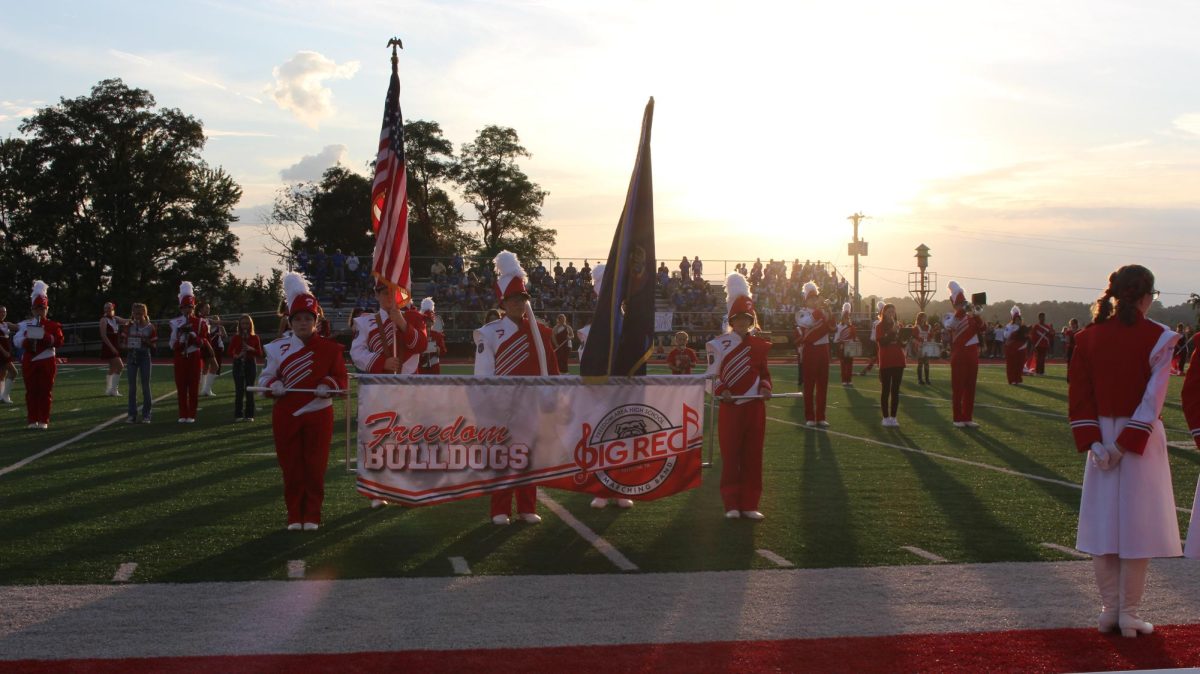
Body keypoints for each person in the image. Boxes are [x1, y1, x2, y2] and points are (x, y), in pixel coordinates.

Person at [1068, 264, 1181, 638]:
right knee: (1138, 526)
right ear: (1147, 297)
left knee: (1104, 526)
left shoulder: (1087, 337)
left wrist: (1098, 445)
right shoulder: (1161, 338)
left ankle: (1108, 611)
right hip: (1139, 442)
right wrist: (1124, 445)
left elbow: (1079, 398)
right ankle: (1128, 613)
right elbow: (1153, 400)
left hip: (1101, 438)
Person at [474, 251, 559, 525]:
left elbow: (551, 368)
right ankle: (500, 509)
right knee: (502, 457)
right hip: (502, 404)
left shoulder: (540, 332)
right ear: (503, 302)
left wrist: (551, 396)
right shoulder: (489, 332)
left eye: (522, 299)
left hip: (531, 404)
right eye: (512, 300)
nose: (517, 304)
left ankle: (526, 507)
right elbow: (484, 372)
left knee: (527, 455)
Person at [260, 273, 349, 531]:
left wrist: (328, 386)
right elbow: (265, 378)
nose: (302, 323)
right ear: (290, 322)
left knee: (315, 466)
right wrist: (272, 385)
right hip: (286, 413)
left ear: (316, 321)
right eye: (297, 319)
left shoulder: (331, 349)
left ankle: (312, 514)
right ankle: (293, 515)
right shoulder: (277, 349)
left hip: (319, 413)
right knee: (291, 467)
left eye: (307, 318)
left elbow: (341, 380)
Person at [706, 272, 772, 521]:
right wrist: (723, 392)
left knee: (753, 456)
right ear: (732, 320)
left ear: (751, 320)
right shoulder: (719, 344)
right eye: (739, 319)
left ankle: (750, 503)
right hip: (731, 407)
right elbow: (710, 379)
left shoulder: (759, 345)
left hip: (755, 407)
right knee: (731, 456)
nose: (743, 323)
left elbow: (764, 373)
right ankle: (731, 503)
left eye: (747, 318)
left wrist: (766, 387)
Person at [14, 281, 64, 429]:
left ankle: (43, 419)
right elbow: (16, 340)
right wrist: (26, 342)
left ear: (46, 309)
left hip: (47, 359)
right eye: (37, 308)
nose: (39, 311)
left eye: (42, 308)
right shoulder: (25, 324)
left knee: (45, 391)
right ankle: (32, 420)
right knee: (31, 392)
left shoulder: (53, 325)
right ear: (32, 309)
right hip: (30, 360)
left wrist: (46, 336)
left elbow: (59, 341)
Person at [351, 282, 428, 375]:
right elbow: (356, 353)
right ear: (376, 295)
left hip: (409, 384)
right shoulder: (364, 322)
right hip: (380, 384)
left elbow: (422, 346)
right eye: (386, 293)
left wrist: (403, 324)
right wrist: (382, 362)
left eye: (394, 293)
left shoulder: (414, 318)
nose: (391, 297)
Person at [169, 282, 210, 424]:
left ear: (193, 308)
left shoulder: (200, 322)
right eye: (184, 307)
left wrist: (193, 335)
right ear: (181, 308)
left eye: (189, 307)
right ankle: (182, 413)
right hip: (180, 357)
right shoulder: (175, 323)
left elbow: (203, 342)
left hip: (194, 356)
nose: (187, 310)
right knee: (181, 387)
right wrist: (181, 339)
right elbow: (172, 344)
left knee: (193, 387)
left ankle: (191, 414)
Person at [944, 281, 984, 428]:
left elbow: (983, 327)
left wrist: (977, 315)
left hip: (972, 354)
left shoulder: (971, 316)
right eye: (960, 303)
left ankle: (967, 417)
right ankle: (957, 418)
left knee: (971, 387)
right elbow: (950, 326)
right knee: (958, 387)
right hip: (959, 355)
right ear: (954, 304)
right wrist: (962, 311)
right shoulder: (949, 317)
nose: (963, 305)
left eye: (964, 302)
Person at [796, 281, 831, 427]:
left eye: (816, 298)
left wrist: (828, 310)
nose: (814, 301)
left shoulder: (822, 312)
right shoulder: (801, 313)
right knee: (809, 385)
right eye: (811, 298)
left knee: (823, 385)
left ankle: (821, 417)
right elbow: (807, 323)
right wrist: (820, 311)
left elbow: (833, 326)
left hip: (824, 349)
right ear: (806, 300)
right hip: (810, 350)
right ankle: (810, 416)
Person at [123, 303, 157, 423]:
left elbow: (154, 346)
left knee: (145, 386)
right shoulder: (129, 326)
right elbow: (122, 344)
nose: (137, 316)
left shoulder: (150, 327)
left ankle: (147, 414)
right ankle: (132, 414)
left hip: (144, 357)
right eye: (135, 313)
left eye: (139, 314)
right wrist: (129, 345)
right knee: (132, 387)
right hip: (132, 356)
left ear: (145, 314)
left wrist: (145, 341)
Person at [875, 303, 906, 427]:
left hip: (898, 359)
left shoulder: (898, 325)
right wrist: (892, 333)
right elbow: (882, 343)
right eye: (889, 311)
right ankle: (885, 417)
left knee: (895, 390)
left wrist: (904, 339)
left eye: (893, 311)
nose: (891, 313)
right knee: (886, 389)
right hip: (886, 360)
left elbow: (902, 344)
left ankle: (893, 417)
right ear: (884, 313)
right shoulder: (879, 326)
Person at [228, 314, 264, 422]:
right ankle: (238, 414)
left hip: (250, 363)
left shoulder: (255, 337)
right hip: (238, 363)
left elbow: (260, 353)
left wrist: (251, 348)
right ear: (240, 325)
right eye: (243, 323)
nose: (245, 326)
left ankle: (249, 415)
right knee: (239, 390)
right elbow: (229, 351)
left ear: (250, 324)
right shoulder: (236, 337)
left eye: (247, 323)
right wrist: (236, 355)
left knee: (249, 389)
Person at [99, 302, 129, 397]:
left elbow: (126, 321)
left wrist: (137, 318)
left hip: (114, 345)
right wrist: (112, 347)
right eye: (105, 308)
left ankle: (109, 390)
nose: (107, 310)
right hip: (109, 346)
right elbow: (103, 336)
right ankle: (113, 390)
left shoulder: (115, 318)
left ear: (113, 309)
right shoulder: (103, 320)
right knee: (120, 366)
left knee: (112, 368)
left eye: (109, 308)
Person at [418, 298, 447, 375]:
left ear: (432, 322)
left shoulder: (437, 335)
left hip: (434, 369)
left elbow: (444, 351)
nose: (427, 323)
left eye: (429, 321)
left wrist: (438, 350)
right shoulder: (418, 335)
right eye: (425, 321)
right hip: (421, 369)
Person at [833, 302, 857, 387]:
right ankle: (844, 379)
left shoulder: (852, 327)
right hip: (842, 347)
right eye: (845, 318)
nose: (847, 319)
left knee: (850, 364)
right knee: (843, 364)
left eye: (848, 318)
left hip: (850, 347)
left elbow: (854, 338)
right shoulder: (839, 327)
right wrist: (841, 344)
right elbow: (836, 339)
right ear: (842, 318)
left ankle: (849, 379)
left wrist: (854, 343)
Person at [1003, 306, 1027, 385]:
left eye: (1019, 319)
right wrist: (1014, 332)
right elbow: (1005, 335)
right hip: (1011, 348)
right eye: (1016, 319)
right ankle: (1012, 379)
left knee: (1019, 365)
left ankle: (1018, 379)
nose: (1018, 321)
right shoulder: (1009, 326)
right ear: (1013, 319)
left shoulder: (1023, 327)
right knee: (1011, 364)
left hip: (1021, 348)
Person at [0, 305, 17, 404]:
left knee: (2, 374)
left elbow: (18, 326)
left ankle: (1, 396)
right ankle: (5, 395)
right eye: (1, 312)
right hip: (2, 352)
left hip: (5, 351)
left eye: (4, 312)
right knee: (14, 372)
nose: (3, 313)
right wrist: (4, 352)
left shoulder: (6, 324)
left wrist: (33, 321)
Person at [913, 312, 933, 385]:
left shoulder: (929, 327)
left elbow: (931, 336)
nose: (925, 318)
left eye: (925, 317)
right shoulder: (916, 327)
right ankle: (920, 379)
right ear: (919, 318)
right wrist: (918, 343)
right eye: (923, 317)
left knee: (927, 363)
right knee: (920, 363)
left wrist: (929, 341)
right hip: (920, 347)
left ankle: (927, 379)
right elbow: (914, 338)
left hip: (927, 347)